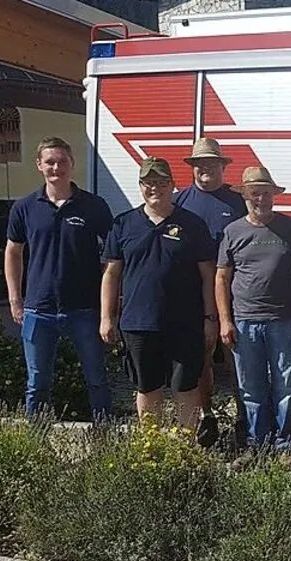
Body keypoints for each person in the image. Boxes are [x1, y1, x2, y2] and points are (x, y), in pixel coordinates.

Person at [100, 157, 218, 428]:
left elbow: (208, 274)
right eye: (149, 183)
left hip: (184, 323)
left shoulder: (192, 225)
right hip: (138, 323)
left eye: (162, 182)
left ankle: (186, 450)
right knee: (147, 387)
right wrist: (107, 317)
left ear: (173, 185)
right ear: (140, 186)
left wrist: (210, 318)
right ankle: (151, 448)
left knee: (185, 387)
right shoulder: (123, 225)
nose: (155, 188)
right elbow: (111, 274)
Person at [3, 137, 113, 420]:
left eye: (62, 162)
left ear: (72, 165)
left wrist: (108, 304)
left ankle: (105, 440)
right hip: (39, 309)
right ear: (39, 165)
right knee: (37, 384)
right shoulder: (25, 207)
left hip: (85, 309)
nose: (56, 167)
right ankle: (35, 445)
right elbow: (13, 252)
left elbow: (114, 257)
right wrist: (16, 300)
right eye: (50, 162)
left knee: (97, 380)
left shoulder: (93, 206)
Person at [216, 166, 291, 464]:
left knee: (286, 386)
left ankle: (284, 446)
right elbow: (221, 278)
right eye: (255, 193)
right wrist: (225, 320)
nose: (261, 199)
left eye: (266, 192)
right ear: (245, 195)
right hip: (244, 320)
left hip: (283, 319)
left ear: (274, 196)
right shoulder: (233, 231)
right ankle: (256, 445)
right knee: (250, 387)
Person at [173, 137, 248, 446]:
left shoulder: (237, 202)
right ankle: (208, 417)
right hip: (192, 296)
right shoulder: (180, 201)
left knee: (237, 358)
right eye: (199, 163)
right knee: (201, 358)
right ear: (192, 168)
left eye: (212, 163)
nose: (206, 168)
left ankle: (244, 417)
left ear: (222, 166)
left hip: (234, 296)